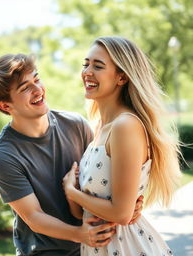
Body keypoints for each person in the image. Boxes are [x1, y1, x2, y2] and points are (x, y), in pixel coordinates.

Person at [0, 53, 143, 256]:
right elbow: (34, 216)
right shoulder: (3, 155)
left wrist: (127, 205)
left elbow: (99, 179)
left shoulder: (76, 124)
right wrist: (80, 234)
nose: (38, 89)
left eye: (36, 79)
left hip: (94, 248)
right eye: (25, 88)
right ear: (5, 106)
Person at [63, 36, 181, 256]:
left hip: (127, 247)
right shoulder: (99, 128)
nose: (87, 71)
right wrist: (75, 197)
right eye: (85, 64)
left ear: (122, 77)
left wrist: (71, 191)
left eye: (98, 66)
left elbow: (122, 213)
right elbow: (84, 213)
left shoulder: (125, 126)